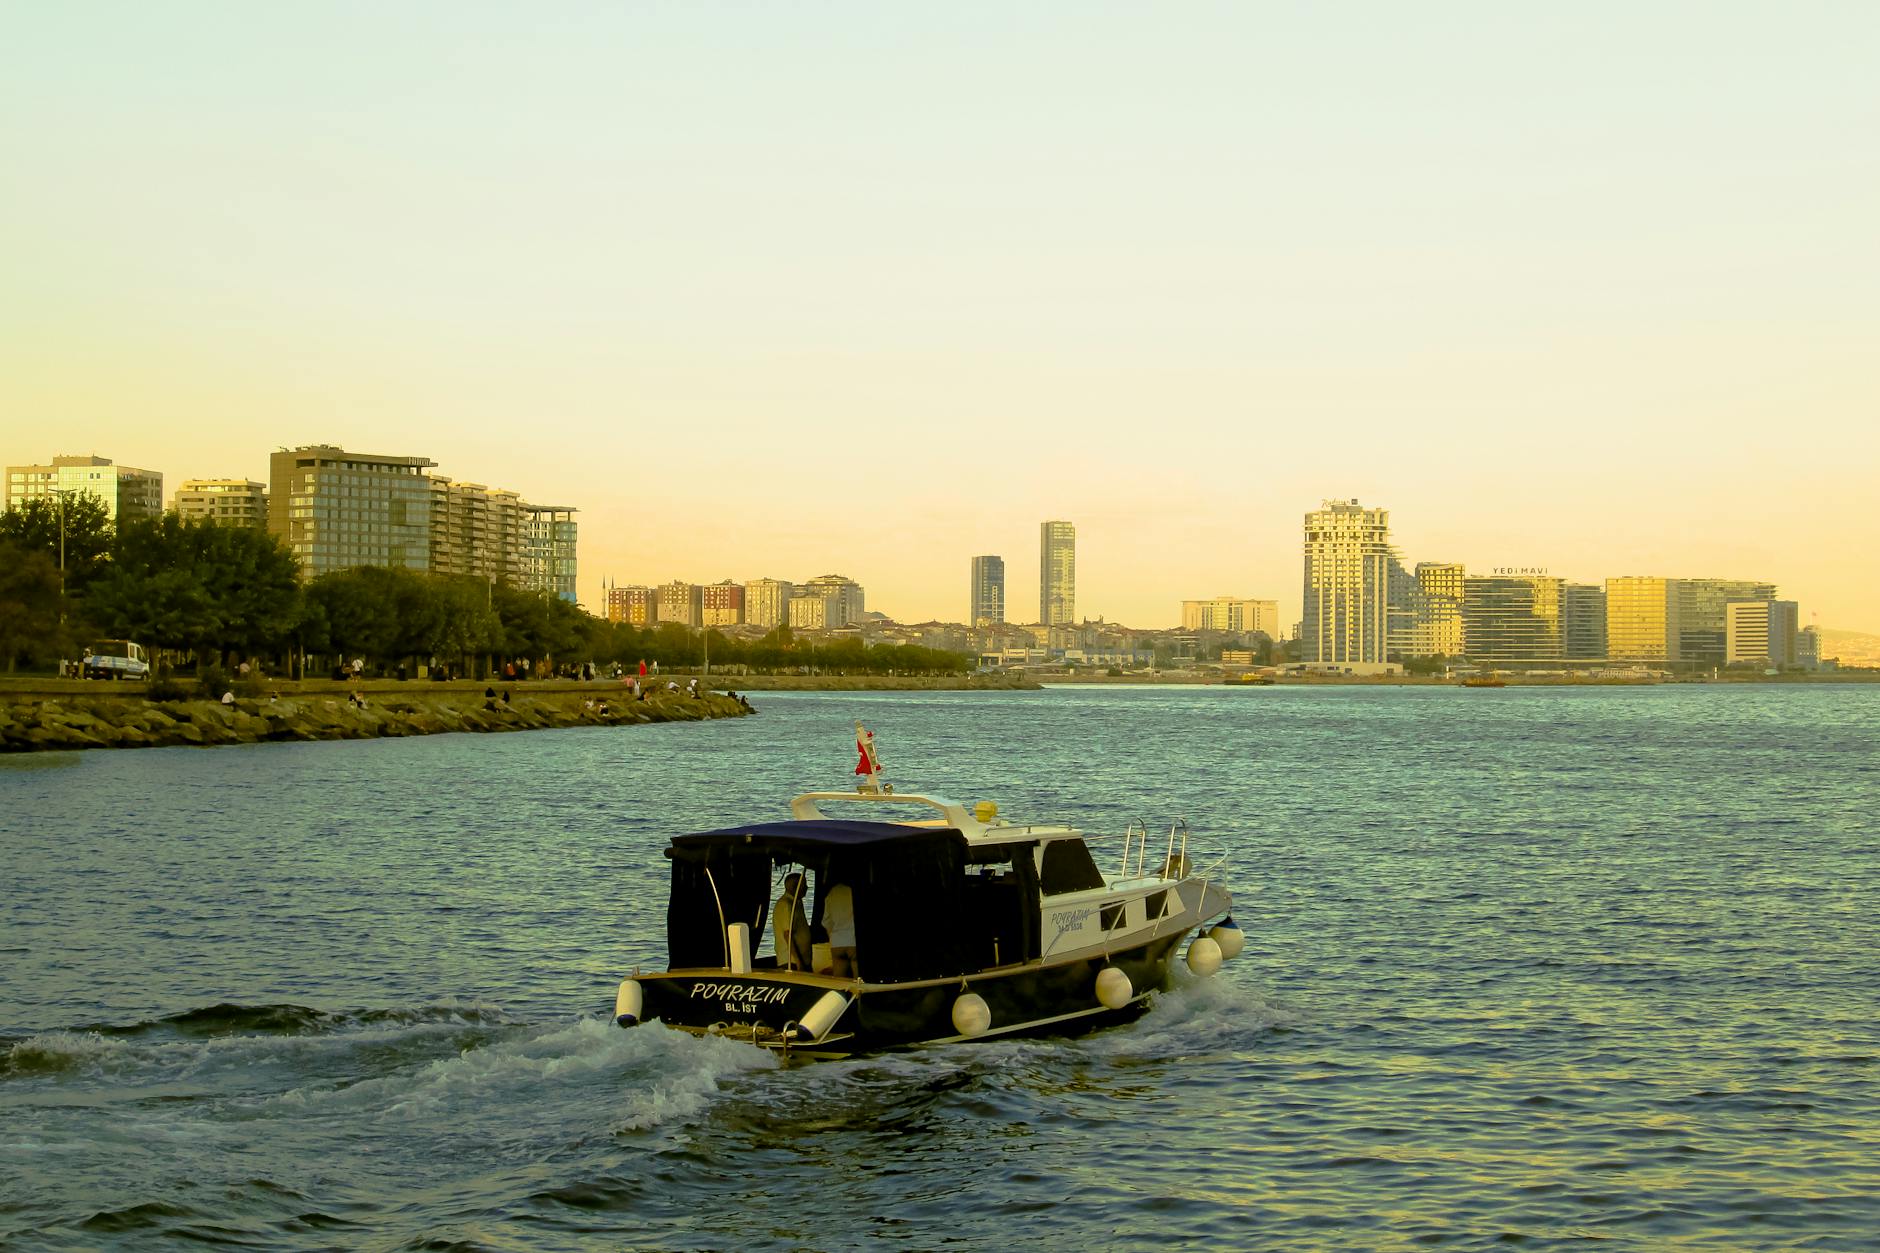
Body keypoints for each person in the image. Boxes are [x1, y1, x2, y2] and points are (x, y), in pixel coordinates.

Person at [772, 873, 812, 971]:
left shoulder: (797, 902)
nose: (807, 888)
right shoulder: (785, 905)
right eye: (804, 885)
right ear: (795, 887)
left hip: (803, 959)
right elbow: (787, 934)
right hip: (791, 961)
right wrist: (797, 961)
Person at [823, 882, 857, 978]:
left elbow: (826, 921)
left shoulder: (831, 893)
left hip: (837, 943)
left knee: (839, 979)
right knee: (858, 981)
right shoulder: (854, 891)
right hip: (854, 941)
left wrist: (832, 937)